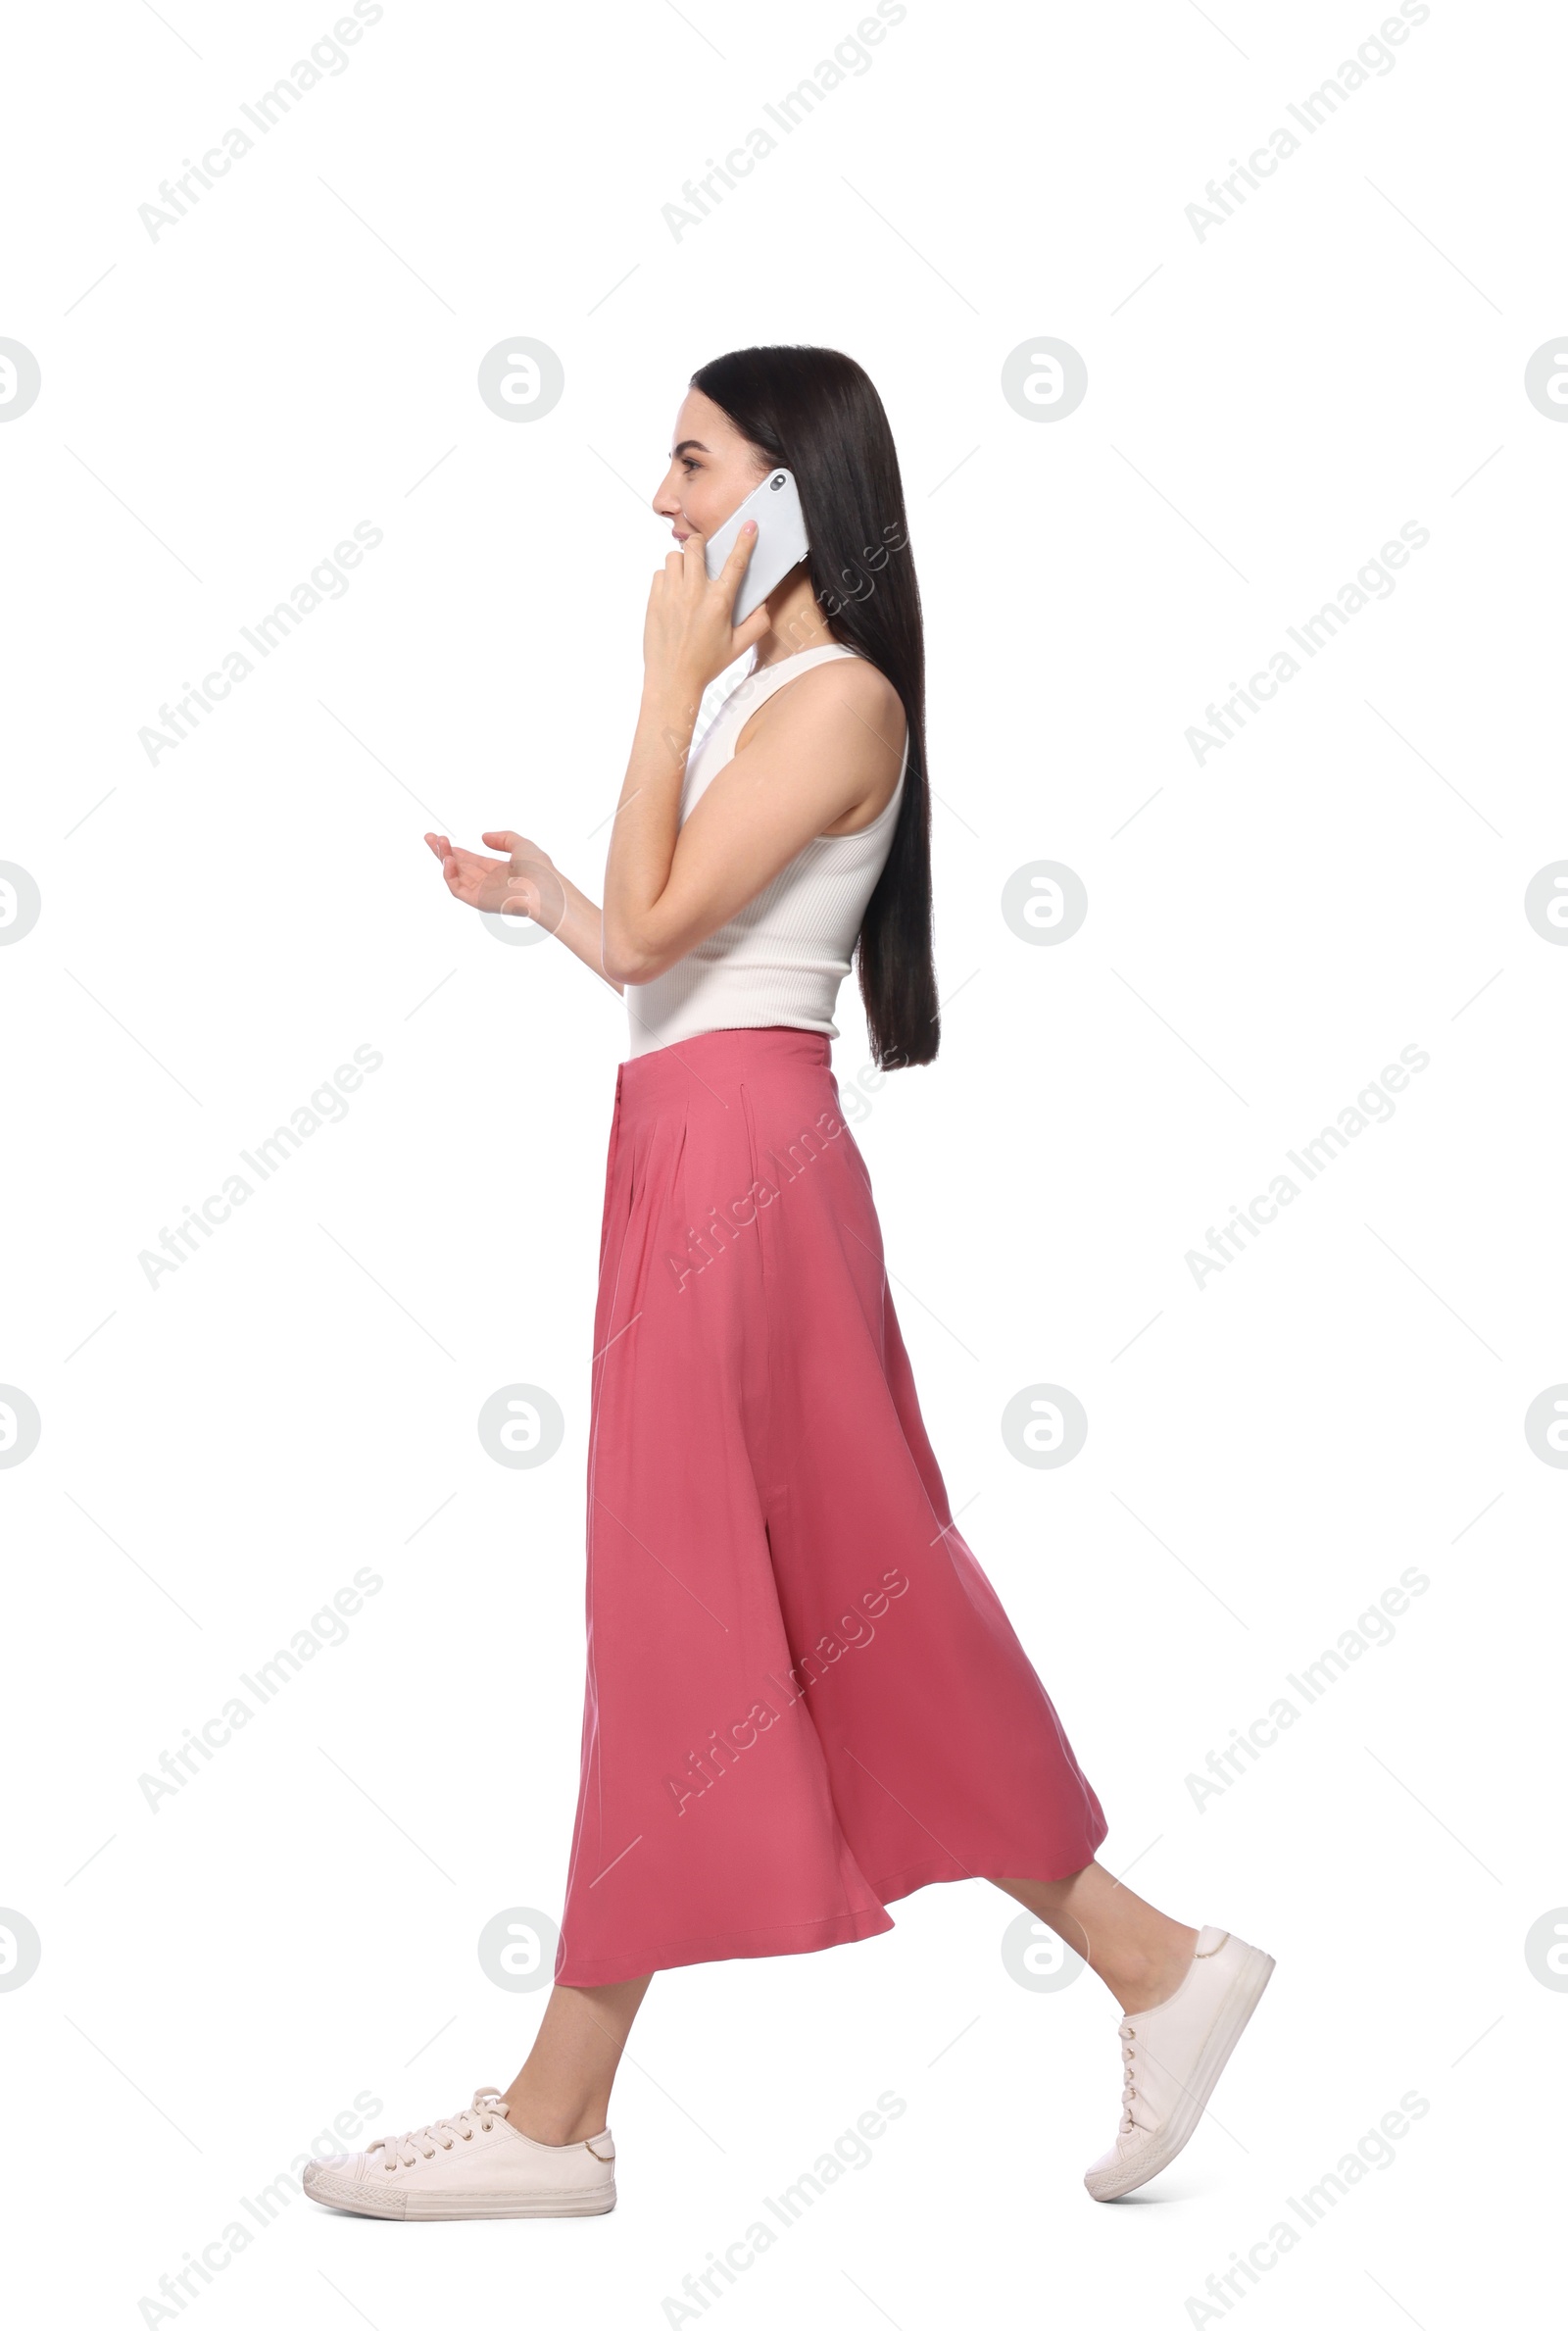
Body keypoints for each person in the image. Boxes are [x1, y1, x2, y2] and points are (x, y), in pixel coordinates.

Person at [303, 345, 1273, 2226]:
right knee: (848, 1610)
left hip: (739, 1171)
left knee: (693, 1606)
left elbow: (669, 923)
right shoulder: (772, 696)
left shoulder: (829, 704)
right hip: (698, 1147)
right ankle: (1161, 1962)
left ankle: (557, 2112)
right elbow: (648, 951)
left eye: (689, 464)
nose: (661, 504)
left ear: (793, 491)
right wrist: (546, 904)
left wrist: (655, 697)